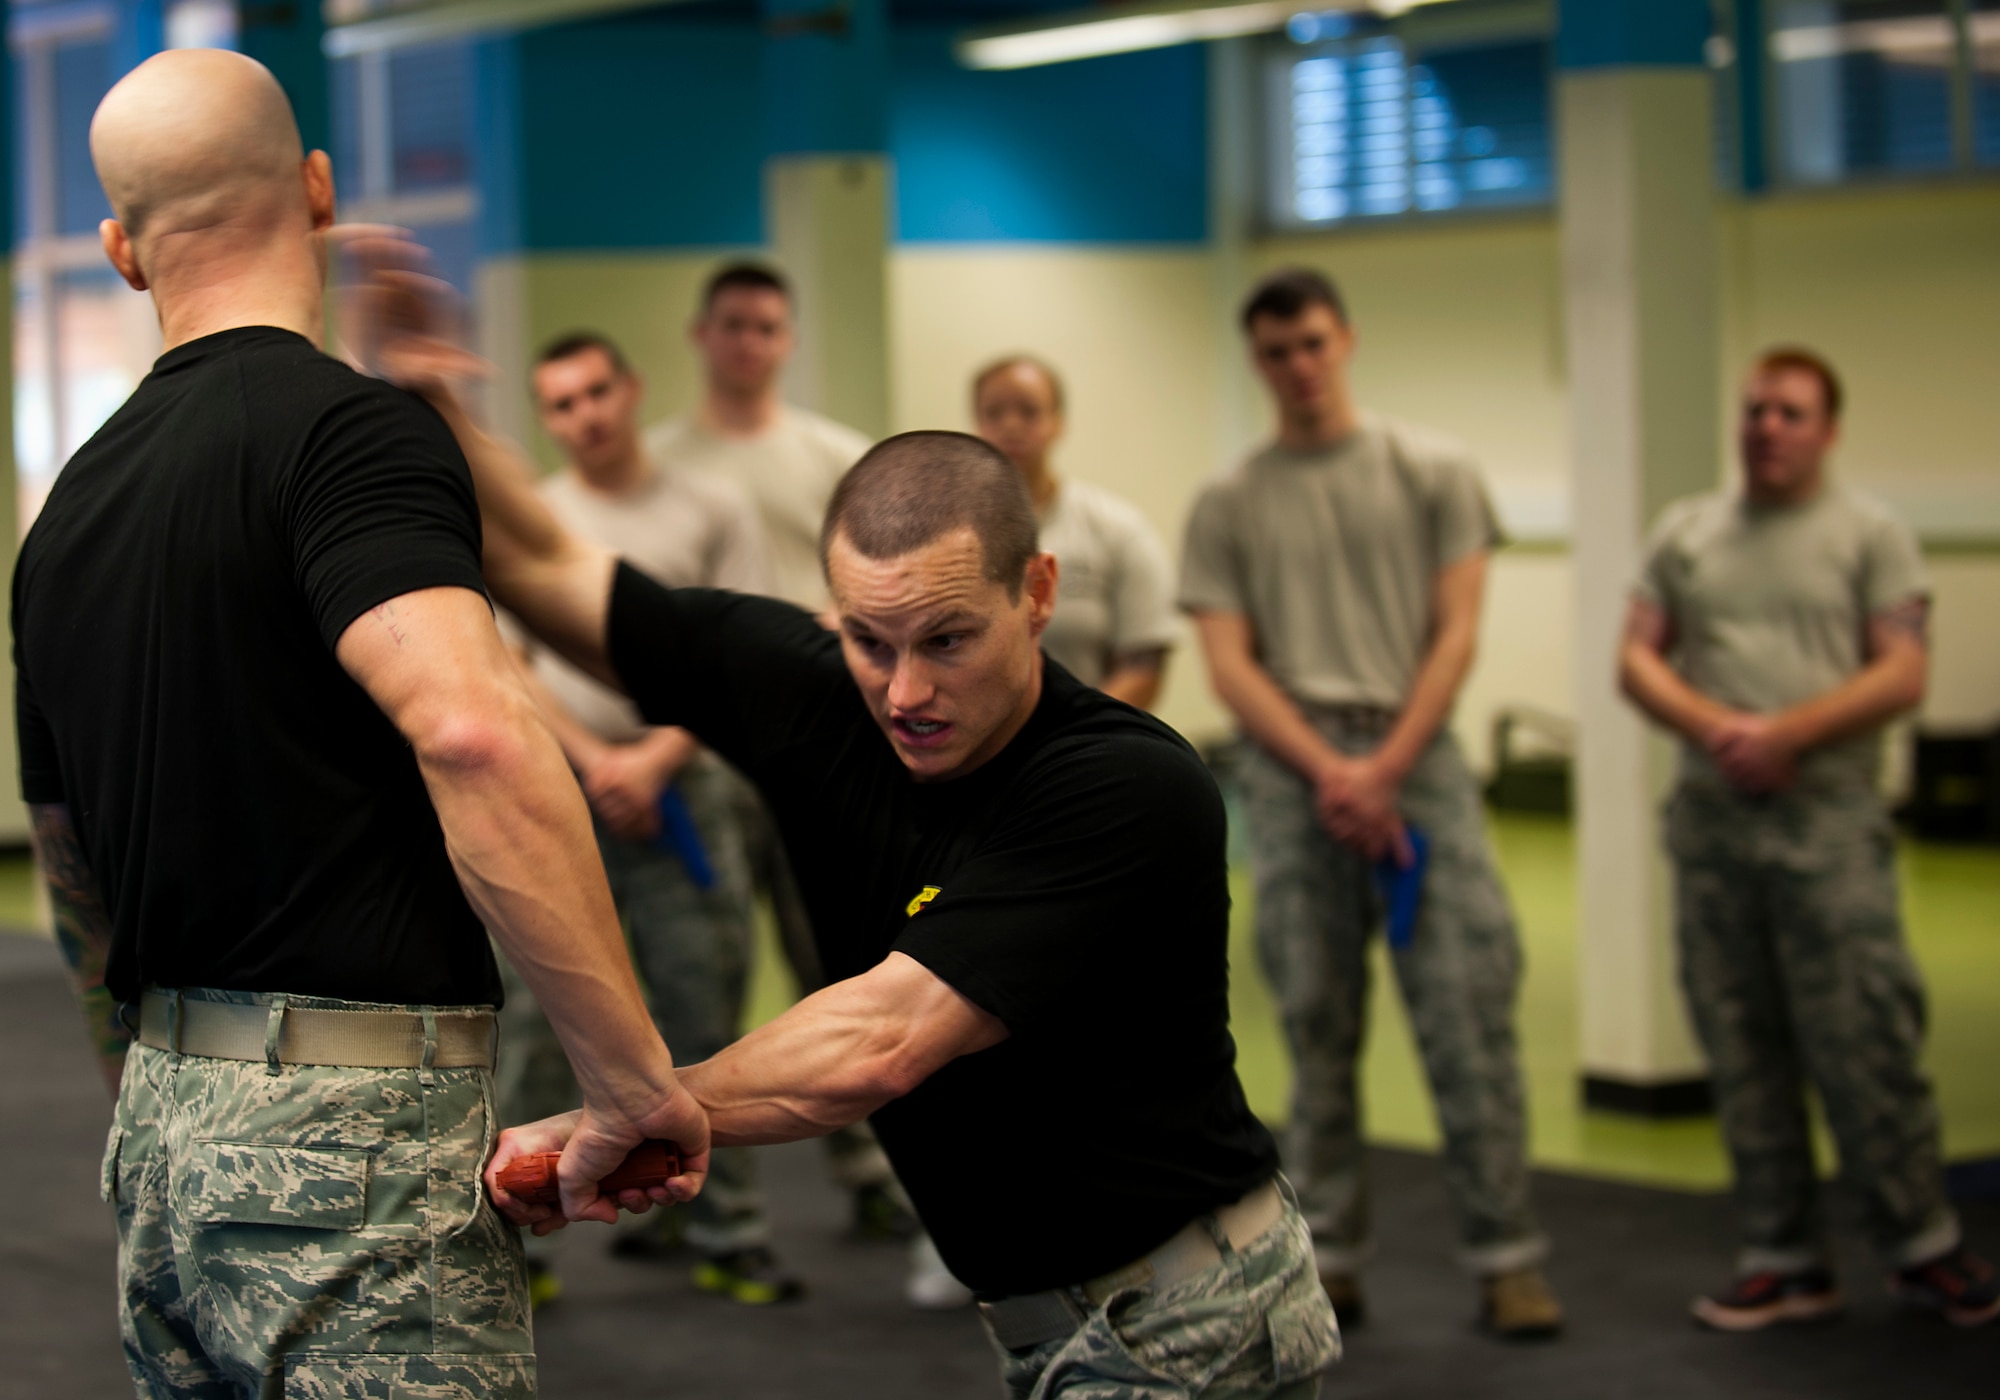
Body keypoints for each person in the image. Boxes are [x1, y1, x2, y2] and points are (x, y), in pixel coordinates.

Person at [360, 266, 1339, 1394]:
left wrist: (623, 1111)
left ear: (1038, 590)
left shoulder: (1125, 786)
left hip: (1186, 1316)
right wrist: (430, 394)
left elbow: (879, 1038)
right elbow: (540, 561)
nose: (904, 689)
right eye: (870, 639)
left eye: (947, 638)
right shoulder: (815, 690)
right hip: (1040, 1315)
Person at [11, 51, 707, 1397]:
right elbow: (477, 736)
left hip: (161, 1131)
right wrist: (630, 1081)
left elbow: (68, 866)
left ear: (121, 250)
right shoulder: (348, 437)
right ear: (319, 189)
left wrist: (160, 1096)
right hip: (353, 1144)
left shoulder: (68, 516)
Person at [1180, 267, 1561, 1339]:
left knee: (1466, 1017)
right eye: (1273, 351)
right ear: (1254, 362)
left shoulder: (1431, 468)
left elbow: (1456, 629)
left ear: (1343, 339)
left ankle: (1506, 1256)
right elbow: (1229, 663)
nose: (1296, 367)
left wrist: (1384, 764)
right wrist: (1329, 772)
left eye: (1310, 343)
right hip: (1294, 776)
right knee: (1313, 1025)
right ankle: (1328, 1257)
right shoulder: (1230, 499)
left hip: (1418, 762)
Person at [1619, 347, 1999, 1331]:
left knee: (1865, 1032)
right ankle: (1781, 1254)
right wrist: (1716, 728)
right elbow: (1635, 654)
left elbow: (1901, 671)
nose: (1765, 427)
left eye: (1788, 412)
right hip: (1711, 818)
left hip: (1825, 816)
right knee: (1739, 1038)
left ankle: (1920, 1243)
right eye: (1753, 409)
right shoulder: (1686, 531)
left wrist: (1785, 732)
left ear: (1825, 428)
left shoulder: (1868, 533)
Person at [496, 330, 802, 1306]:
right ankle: (520, 1243)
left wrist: (655, 756)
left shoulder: (710, 507)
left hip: (689, 790)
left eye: (597, 392)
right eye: (561, 403)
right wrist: (596, 764)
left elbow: (742, 654)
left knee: (702, 1012)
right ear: (548, 418)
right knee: (542, 1026)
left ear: (629, 391)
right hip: (564, 799)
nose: (584, 416)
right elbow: (510, 669)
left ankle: (724, 1228)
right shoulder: (538, 519)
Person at [644, 262, 916, 1250]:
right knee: (701, 979)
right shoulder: (658, 462)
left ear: (787, 338)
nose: (747, 341)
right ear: (700, 333)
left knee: (842, 967)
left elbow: (876, 593)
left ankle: (875, 1169)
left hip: (823, 756)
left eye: (765, 325)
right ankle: (687, 1185)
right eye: (731, 324)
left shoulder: (836, 461)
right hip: (707, 760)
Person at [971, 355, 1178, 710]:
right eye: (994, 413)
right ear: (977, 423)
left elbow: (1144, 664)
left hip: (1089, 742)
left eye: (1029, 411)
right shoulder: (947, 533)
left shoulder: (1119, 529)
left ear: (1058, 422)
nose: (1011, 425)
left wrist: (1078, 735)